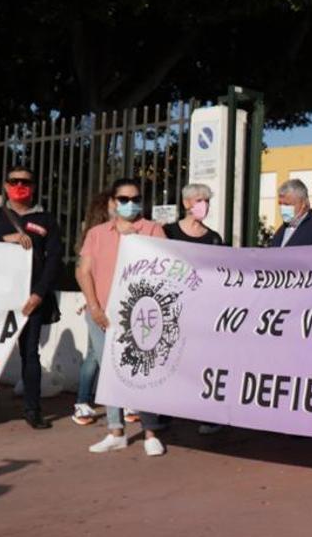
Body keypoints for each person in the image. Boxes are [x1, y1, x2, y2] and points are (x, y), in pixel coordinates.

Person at [0, 167, 63, 432]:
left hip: (31, 301)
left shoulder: (46, 219)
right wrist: (4, 238)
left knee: (30, 355)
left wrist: (38, 295)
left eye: (26, 181)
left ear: (33, 186)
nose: (20, 185)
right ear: (6, 185)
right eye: (14, 181)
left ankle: (33, 411)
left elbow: (54, 260)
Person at [77, 178, 170, 456]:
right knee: (109, 373)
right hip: (103, 314)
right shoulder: (97, 233)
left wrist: (134, 238)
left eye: (135, 198)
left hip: (141, 316)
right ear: (112, 202)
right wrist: (94, 308)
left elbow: (163, 269)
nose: (130, 204)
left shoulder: (153, 229)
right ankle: (115, 430)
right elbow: (83, 271)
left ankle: (151, 432)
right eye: (124, 199)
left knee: (144, 371)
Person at [163, 183, 226, 436]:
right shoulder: (166, 233)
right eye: (200, 200)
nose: (205, 205)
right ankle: (162, 414)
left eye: (207, 201)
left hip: (202, 311)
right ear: (187, 203)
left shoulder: (214, 238)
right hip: (172, 308)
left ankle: (206, 414)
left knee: (202, 362)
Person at [72, 188, 114, 425]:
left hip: (111, 302)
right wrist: (88, 301)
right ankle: (85, 402)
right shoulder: (94, 235)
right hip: (96, 304)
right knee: (101, 356)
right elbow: (83, 270)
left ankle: (82, 400)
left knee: (93, 355)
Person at [268, 179, 312, 247]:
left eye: (287, 204)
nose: (282, 208)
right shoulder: (282, 230)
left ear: (303, 204)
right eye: (280, 204)